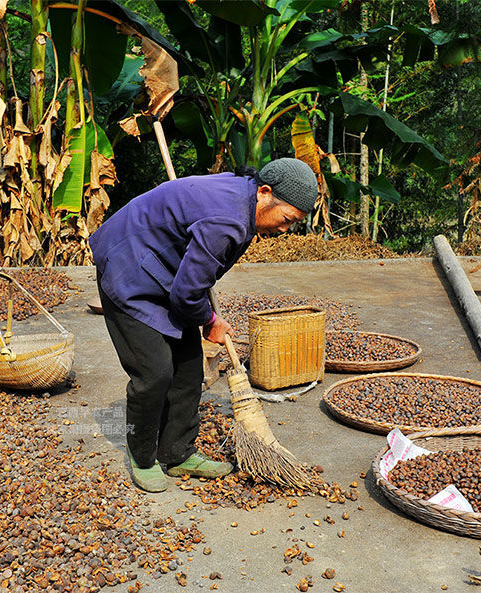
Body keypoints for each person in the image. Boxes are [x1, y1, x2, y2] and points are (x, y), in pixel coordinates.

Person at [90, 158, 319, 492]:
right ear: (265, 193)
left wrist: (202, 313)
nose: (284, 229)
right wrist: (211, 321)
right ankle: (142, 456)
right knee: (154, 373)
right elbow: (187, 295)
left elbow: (191, 284)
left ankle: (177, 453)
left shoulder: (244, 197)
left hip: (165, 269)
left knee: (187, 369)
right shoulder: (225, 219)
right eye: (286, 219)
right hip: (128, 267)